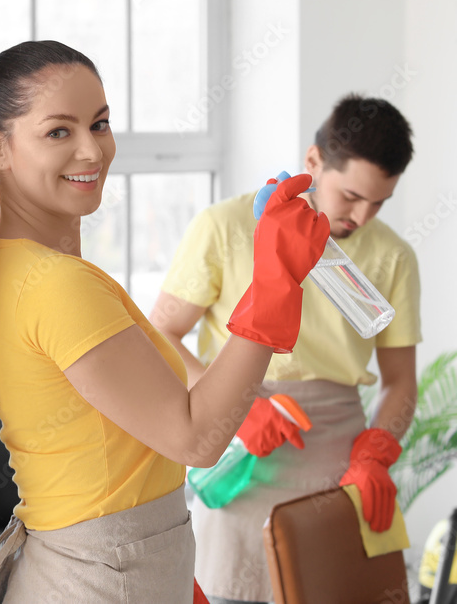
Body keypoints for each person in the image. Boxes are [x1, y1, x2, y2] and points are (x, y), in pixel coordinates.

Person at [0, 40, 329, 603]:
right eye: (58, 132)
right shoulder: (57, 284)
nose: (92, 151)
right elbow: (195, 437)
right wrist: (275, 280)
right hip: (100, 576)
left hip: (109, 562)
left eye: (101, 123)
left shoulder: (24, 266)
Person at [150, 93, 420, 603]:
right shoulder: (226, 226)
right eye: (351, 196)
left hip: (340, 460)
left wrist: (375, 452)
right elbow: (160, 333)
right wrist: (240, 408)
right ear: (313, 163)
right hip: (243, 453)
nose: (363, 216)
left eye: (379, 202)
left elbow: (400, 380)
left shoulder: (393, 256)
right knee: (232, 590)